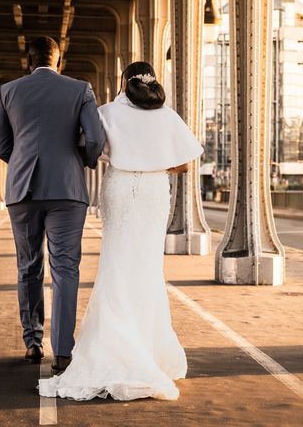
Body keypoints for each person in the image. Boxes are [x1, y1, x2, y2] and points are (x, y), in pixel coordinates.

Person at [38, 61, 202, 401]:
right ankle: (148, 350)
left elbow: (89, 147)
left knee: (115, 265)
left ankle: (113, 346)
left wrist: (121, 159)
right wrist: (154, 164)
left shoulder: (108, 112)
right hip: (154, 191)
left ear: (123, 83)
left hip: (120, 187)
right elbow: (186, 163)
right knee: (148, 268)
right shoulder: (168, 116)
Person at [0, 36, 105, 373]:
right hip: (67, 190)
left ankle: (32, 342)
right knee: (66, 270)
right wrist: (78, 160)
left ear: (29, 61)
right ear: (59, 60)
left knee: (28, 267)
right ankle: (64, 352)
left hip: (22, 193)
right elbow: (96, 138)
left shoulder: (7, 91)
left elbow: (0, 145)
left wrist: (24, 161)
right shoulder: (80, 89)